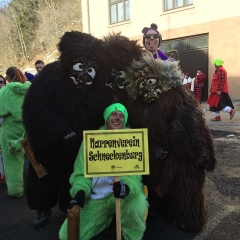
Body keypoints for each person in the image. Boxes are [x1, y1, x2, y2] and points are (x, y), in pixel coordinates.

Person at [22, 31, 113, 229]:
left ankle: (68, 208)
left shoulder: (100, 90)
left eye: (91, 69)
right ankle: (42, 207)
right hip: (51, 143)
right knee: (44, 177)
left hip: (77, 148)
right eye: (81, 66)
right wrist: (61, 129)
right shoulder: (51, 76)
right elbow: (35, 107)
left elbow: (101, 116)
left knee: (70, 179)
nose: (84, 74)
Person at [125, 51, 216, 231]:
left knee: (184, 188)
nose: (146, 88)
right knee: (156, 190)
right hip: (157, 156)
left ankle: (190, 217)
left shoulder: (177, 99)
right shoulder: (136, 107)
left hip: (183, 157)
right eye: (141, 84)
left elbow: (192, 139)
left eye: (149, 82)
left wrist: (173, 157)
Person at [59, 103, 147, 240]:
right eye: (114, 114)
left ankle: (131, 235)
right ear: (106, 117)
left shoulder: (132, 140)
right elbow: (81, 173)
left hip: (120, 198)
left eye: (121, 116)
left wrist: (126, 188)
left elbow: (135, 177)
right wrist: (80, 193)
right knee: (67, 235)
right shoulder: (91, 140)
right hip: (97, 198)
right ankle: (105, 219)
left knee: (136, 204)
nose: (117, 118)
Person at [0, 67, 31, 197]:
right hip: (29, 133)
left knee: (13, 163)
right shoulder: (30, 88)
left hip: (12, 135)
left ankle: (16, 190)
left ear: (8, 77)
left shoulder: (5, 92)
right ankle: (44, 187)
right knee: (36, 162)